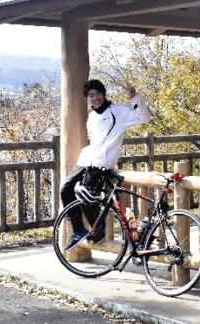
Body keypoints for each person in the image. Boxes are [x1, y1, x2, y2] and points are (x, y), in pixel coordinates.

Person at [61, 79, 151, 250]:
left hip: (102, 163)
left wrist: (135, 98)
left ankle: (99, 230)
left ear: (104, 94)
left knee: (86, 196)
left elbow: (143, 117)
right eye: (91, 96)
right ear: (87, 99)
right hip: (86, 159)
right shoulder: (91, 116)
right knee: (66, 190)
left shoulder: (117, 110)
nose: (95, 98)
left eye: (98, 94)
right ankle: (78, 229)